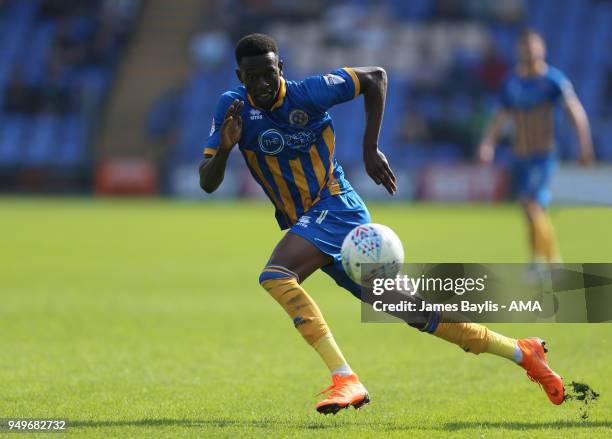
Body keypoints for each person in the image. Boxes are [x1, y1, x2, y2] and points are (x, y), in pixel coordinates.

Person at [200, 33, 565, 414]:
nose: (261, 84)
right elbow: (208, 182)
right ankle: (524, 353)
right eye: (252, 77)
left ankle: (345, 378)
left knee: (276, 275)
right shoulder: (233, 108)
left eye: (269, 74)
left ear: (282, 69)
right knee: (418, 312)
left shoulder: (308, 93)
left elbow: (375, 77)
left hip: (335, 205)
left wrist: (370, 147)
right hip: (311, 223)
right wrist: (225, 149)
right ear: (240, 76)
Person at [479, 29, 593, 263]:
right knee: (529, 209)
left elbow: (575, 112)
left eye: (533, 46)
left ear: (542, 49)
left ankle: (551, 260)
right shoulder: (512, 83)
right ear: (518, 50)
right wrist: (487, 143)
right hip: (519, 155)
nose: (528, 50)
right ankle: (539, 260)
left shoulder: (553, 81)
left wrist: (584, 145)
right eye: (524, 46)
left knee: (532, 205)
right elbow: (500, 117)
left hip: (543, 155)